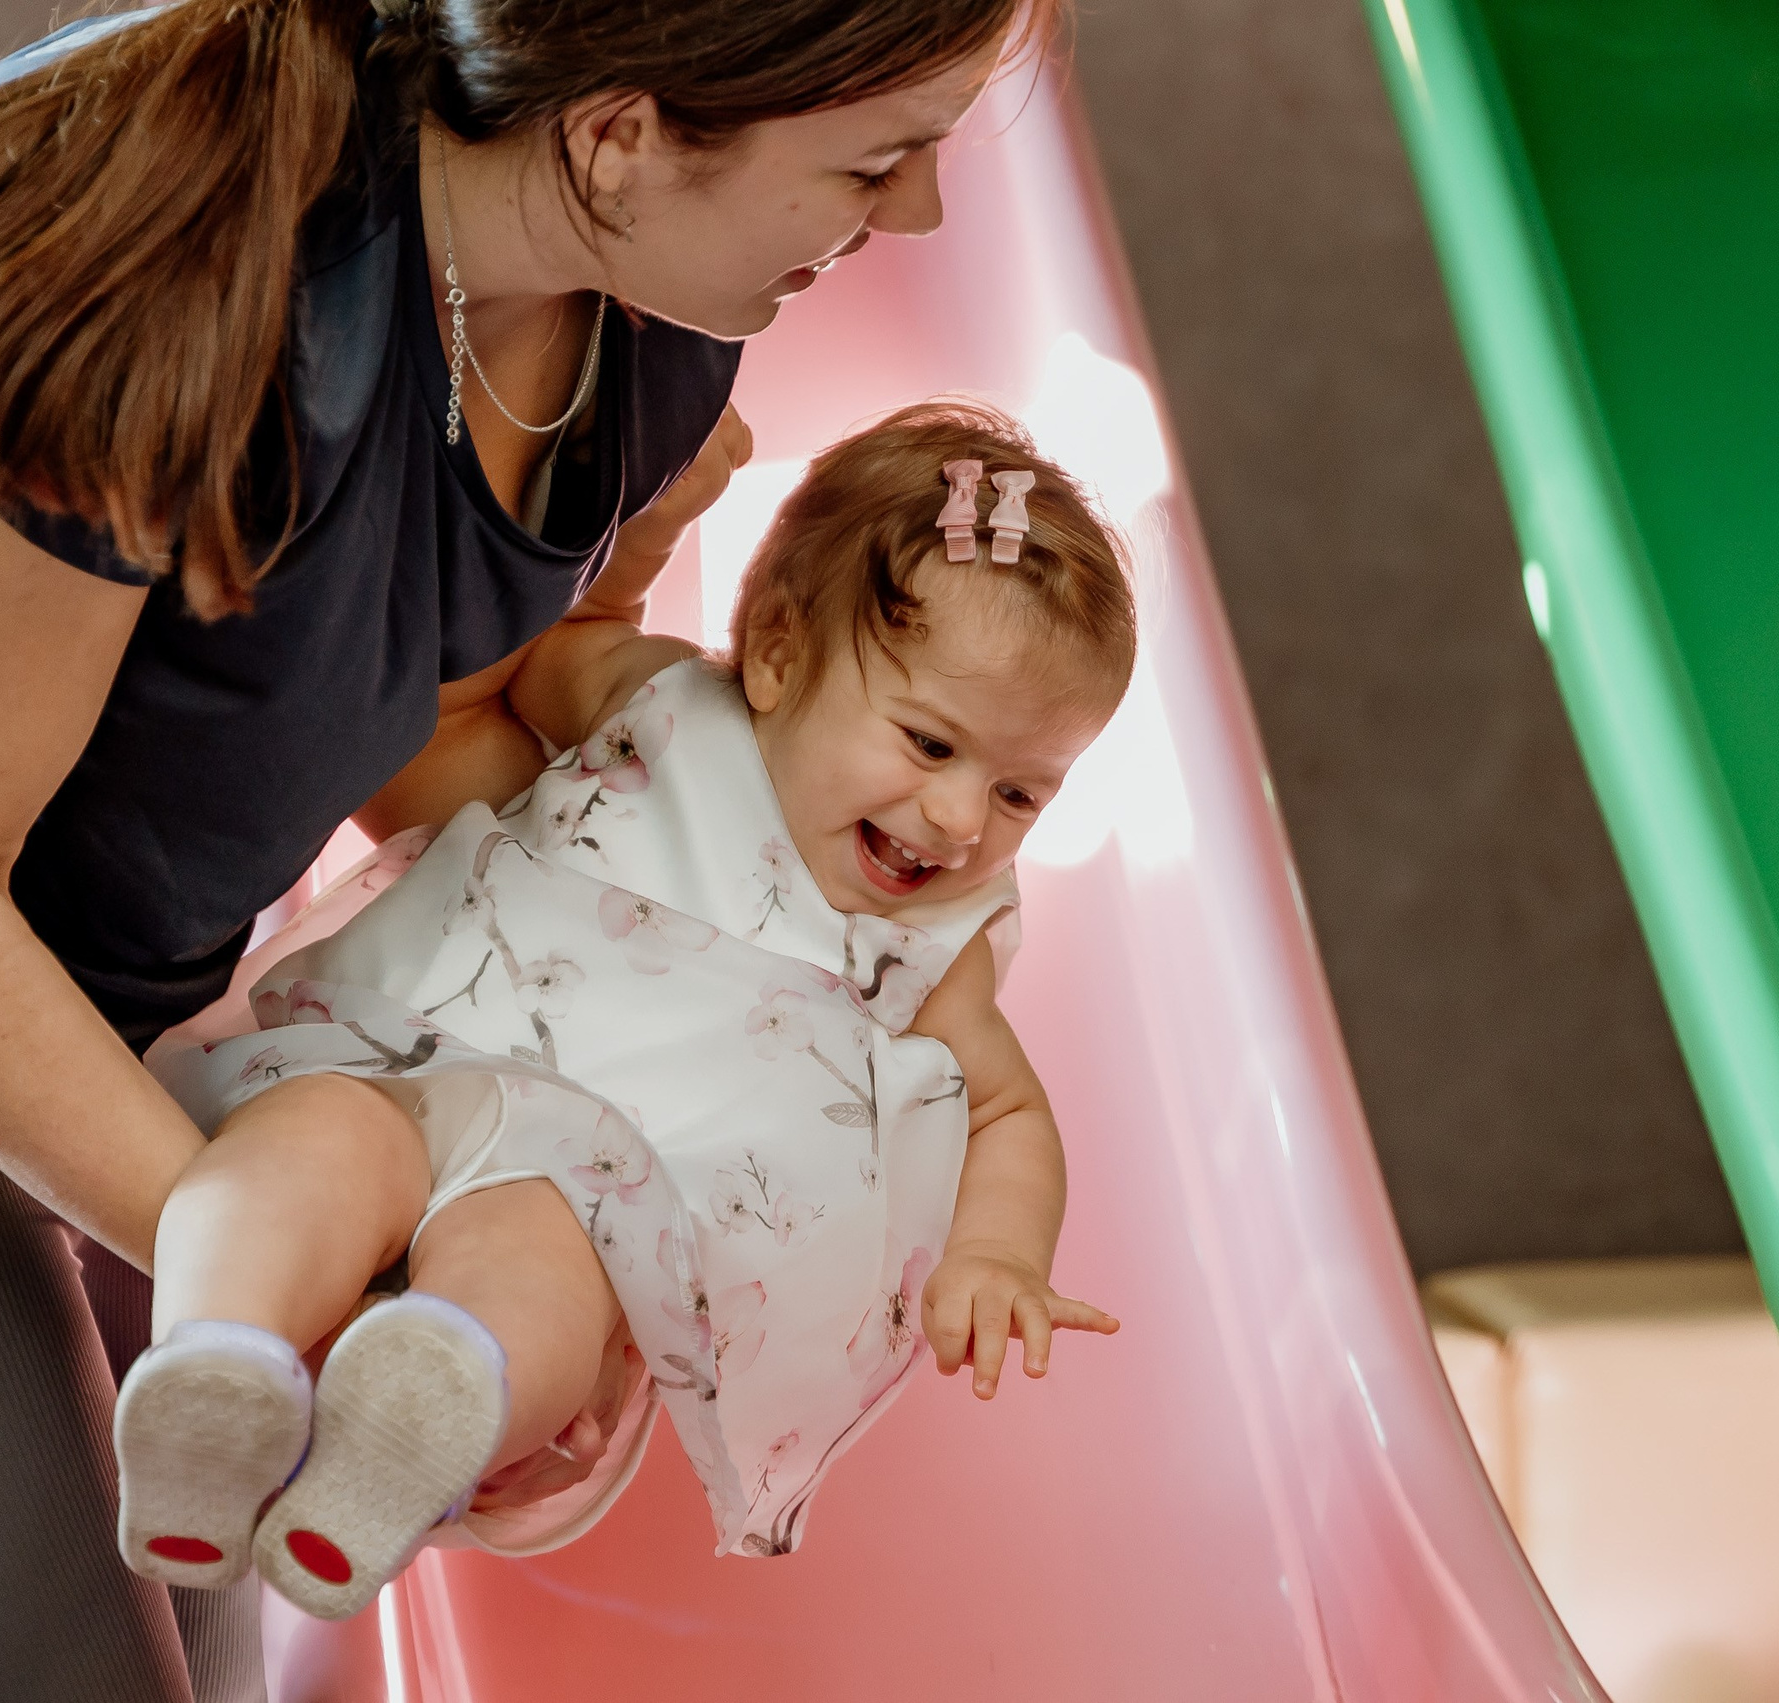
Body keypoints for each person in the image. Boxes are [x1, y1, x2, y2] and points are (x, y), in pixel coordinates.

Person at [0, 3, 1055, 1699]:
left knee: (245, 1619)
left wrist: (607, 1162)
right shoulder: (135, 278)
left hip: (118, 999)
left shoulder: (652, 326)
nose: (918, 217)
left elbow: (433, 719)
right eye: (878, 160)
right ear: (621, 130)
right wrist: (297, 1285)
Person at [128, 402, 1128, 1619]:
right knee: (311, 1142)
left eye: (1021, 792)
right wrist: (655, 514)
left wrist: (997, 1252)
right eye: (929, 744)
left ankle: (424, 1410)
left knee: (542, 1274)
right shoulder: (661, 700)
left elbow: (1007, 1104)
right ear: (773, 654)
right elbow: (528, 646)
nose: (962, 820)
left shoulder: (928, 938)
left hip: (614, 1190)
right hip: (406, 1045)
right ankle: (209, 1371)